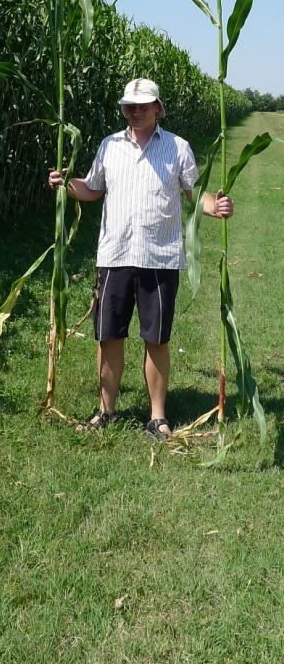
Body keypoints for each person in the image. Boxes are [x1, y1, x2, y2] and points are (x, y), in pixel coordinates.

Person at [48, 77, 233, 440]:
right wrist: (66, 184)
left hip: (160, 258)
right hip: (114, 255)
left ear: (157, 109)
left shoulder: (178, 148)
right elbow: (93, 189)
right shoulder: (109, 145)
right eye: (129, 107)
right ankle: (106, 411)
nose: (135, 112)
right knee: (108, 337)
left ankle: (158, 416)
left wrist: (217, 206)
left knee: (157, 339)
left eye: (143, 106)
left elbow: (193, 193)